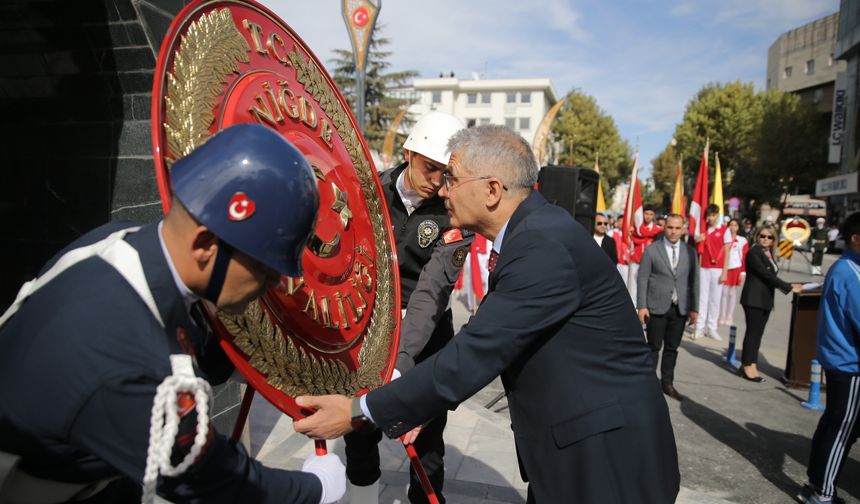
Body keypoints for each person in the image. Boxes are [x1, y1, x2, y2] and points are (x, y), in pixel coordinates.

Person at [293, 125, 680, 503]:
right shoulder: (532, 233)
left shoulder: (541, 247)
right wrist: (421, 401)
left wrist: (360, 410)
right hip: (581, 445)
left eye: (453, 179)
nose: (443, 190)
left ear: (492, 189)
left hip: (606, 456)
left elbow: (479, 350)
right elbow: (487, 333)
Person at [0, 124, 345, 504]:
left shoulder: (120, 240)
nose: (277, 284)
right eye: (265, 266)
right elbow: (212, 482)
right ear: (205, 245)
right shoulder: (131, 362)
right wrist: (314, 488)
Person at [346, 111, 467, 504]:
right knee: (360, 431)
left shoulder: (456, 211)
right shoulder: (370, 189)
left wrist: (400, 364)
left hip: (426, 339)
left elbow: (431, 294)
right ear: (409, 152)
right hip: (370, 335)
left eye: (446, 174)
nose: (438, 183)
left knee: (427, 444)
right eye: (431, 169)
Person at [798, 212, 860, 504]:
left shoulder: (845, 267)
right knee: (841, 429)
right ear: (856, 239)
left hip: (841, 362)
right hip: (850, 364)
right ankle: (822, 493)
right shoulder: (851, 272)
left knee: (835, 424)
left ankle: (816, 482)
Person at [637, 214, 699, 401]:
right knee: (653, 346)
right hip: (656, 306)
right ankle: (647, 384)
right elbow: (643, 278)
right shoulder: (652, 250)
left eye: (677, 228)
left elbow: (694, 281)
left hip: (679, 308)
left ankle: (667, 383)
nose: (673, 231)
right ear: (664, 228)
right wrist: (642, 305)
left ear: (683, 229)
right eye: (670, 227)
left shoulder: (690, 252)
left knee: (672, 348)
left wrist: (694, 308)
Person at [738, 224, 801, 382]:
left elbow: (770, 276)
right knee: (753, 333)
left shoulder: (768, 254)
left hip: (765, 299)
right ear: (757, 237)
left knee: (758, 334)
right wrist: (788, 287)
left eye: (770, 237)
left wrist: (790, 285)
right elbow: (765, 274)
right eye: (763, 236)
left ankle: (752, 363)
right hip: (754, 299)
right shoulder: (754, 252)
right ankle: (747, 365)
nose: (766, 239)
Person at [693, 204, 727, 341]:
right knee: (702, 298)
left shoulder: (724, 230)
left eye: (713, 215)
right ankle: (699, 327)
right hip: (704, 267)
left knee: (715, 299)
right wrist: (698, 240)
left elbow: (727, 250)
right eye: (709, 215)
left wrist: (725, 271)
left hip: (718, 268)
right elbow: (697, 246)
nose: (711, 218)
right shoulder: (703, 230)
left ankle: (712, 328)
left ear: (718, 215)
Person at [629, 205, 663, 302]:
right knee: (633, 286)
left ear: (654, 215)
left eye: (651, 214)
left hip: (650, 263)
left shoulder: (658, 230)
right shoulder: (636, 229)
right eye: (646, 213)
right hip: (636, 261)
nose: (648, 216)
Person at [719, 218, 748, 326]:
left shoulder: (742, 240)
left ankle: (729, 315)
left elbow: (744, 257)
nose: (732, 227)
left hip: (736, 268)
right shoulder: (724, 238)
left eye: (735, 225)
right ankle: (722, 315)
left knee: (732, 292)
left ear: (738, 227)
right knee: (724, 293)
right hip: (725, 267)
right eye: (731, 225)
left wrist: (743, 272)